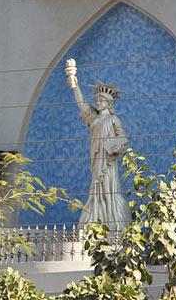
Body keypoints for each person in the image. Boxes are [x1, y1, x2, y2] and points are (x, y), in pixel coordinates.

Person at [65, 58, 131, 226]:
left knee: (108, 187)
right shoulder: (94, 118)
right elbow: (82, 104)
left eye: (101, 101)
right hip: (96, 157)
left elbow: (123, 138)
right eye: (98, 100)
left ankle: (112, 219)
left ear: (109, 104)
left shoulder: (114, 119)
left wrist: (115, 147)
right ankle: (95, 219)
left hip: (108, 159)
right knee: (96, 188)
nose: (98, 103)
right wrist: (74, 83)